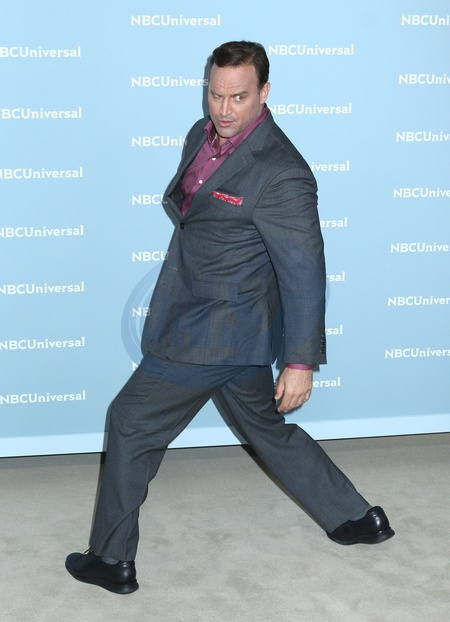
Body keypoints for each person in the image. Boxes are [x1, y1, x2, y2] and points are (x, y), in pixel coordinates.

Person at [65, 41, 394, 595]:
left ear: (264, 92)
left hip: (213, 330)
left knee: (129, 422)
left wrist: (301, 361)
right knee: (266, 429)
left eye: (238, 97)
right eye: (215, 94)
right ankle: (358, 518)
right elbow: (193, 210)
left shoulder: (282, 172)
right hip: (222, 323)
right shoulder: (202, 134)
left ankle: (111, 559)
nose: (223, 109)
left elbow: (304, 271)